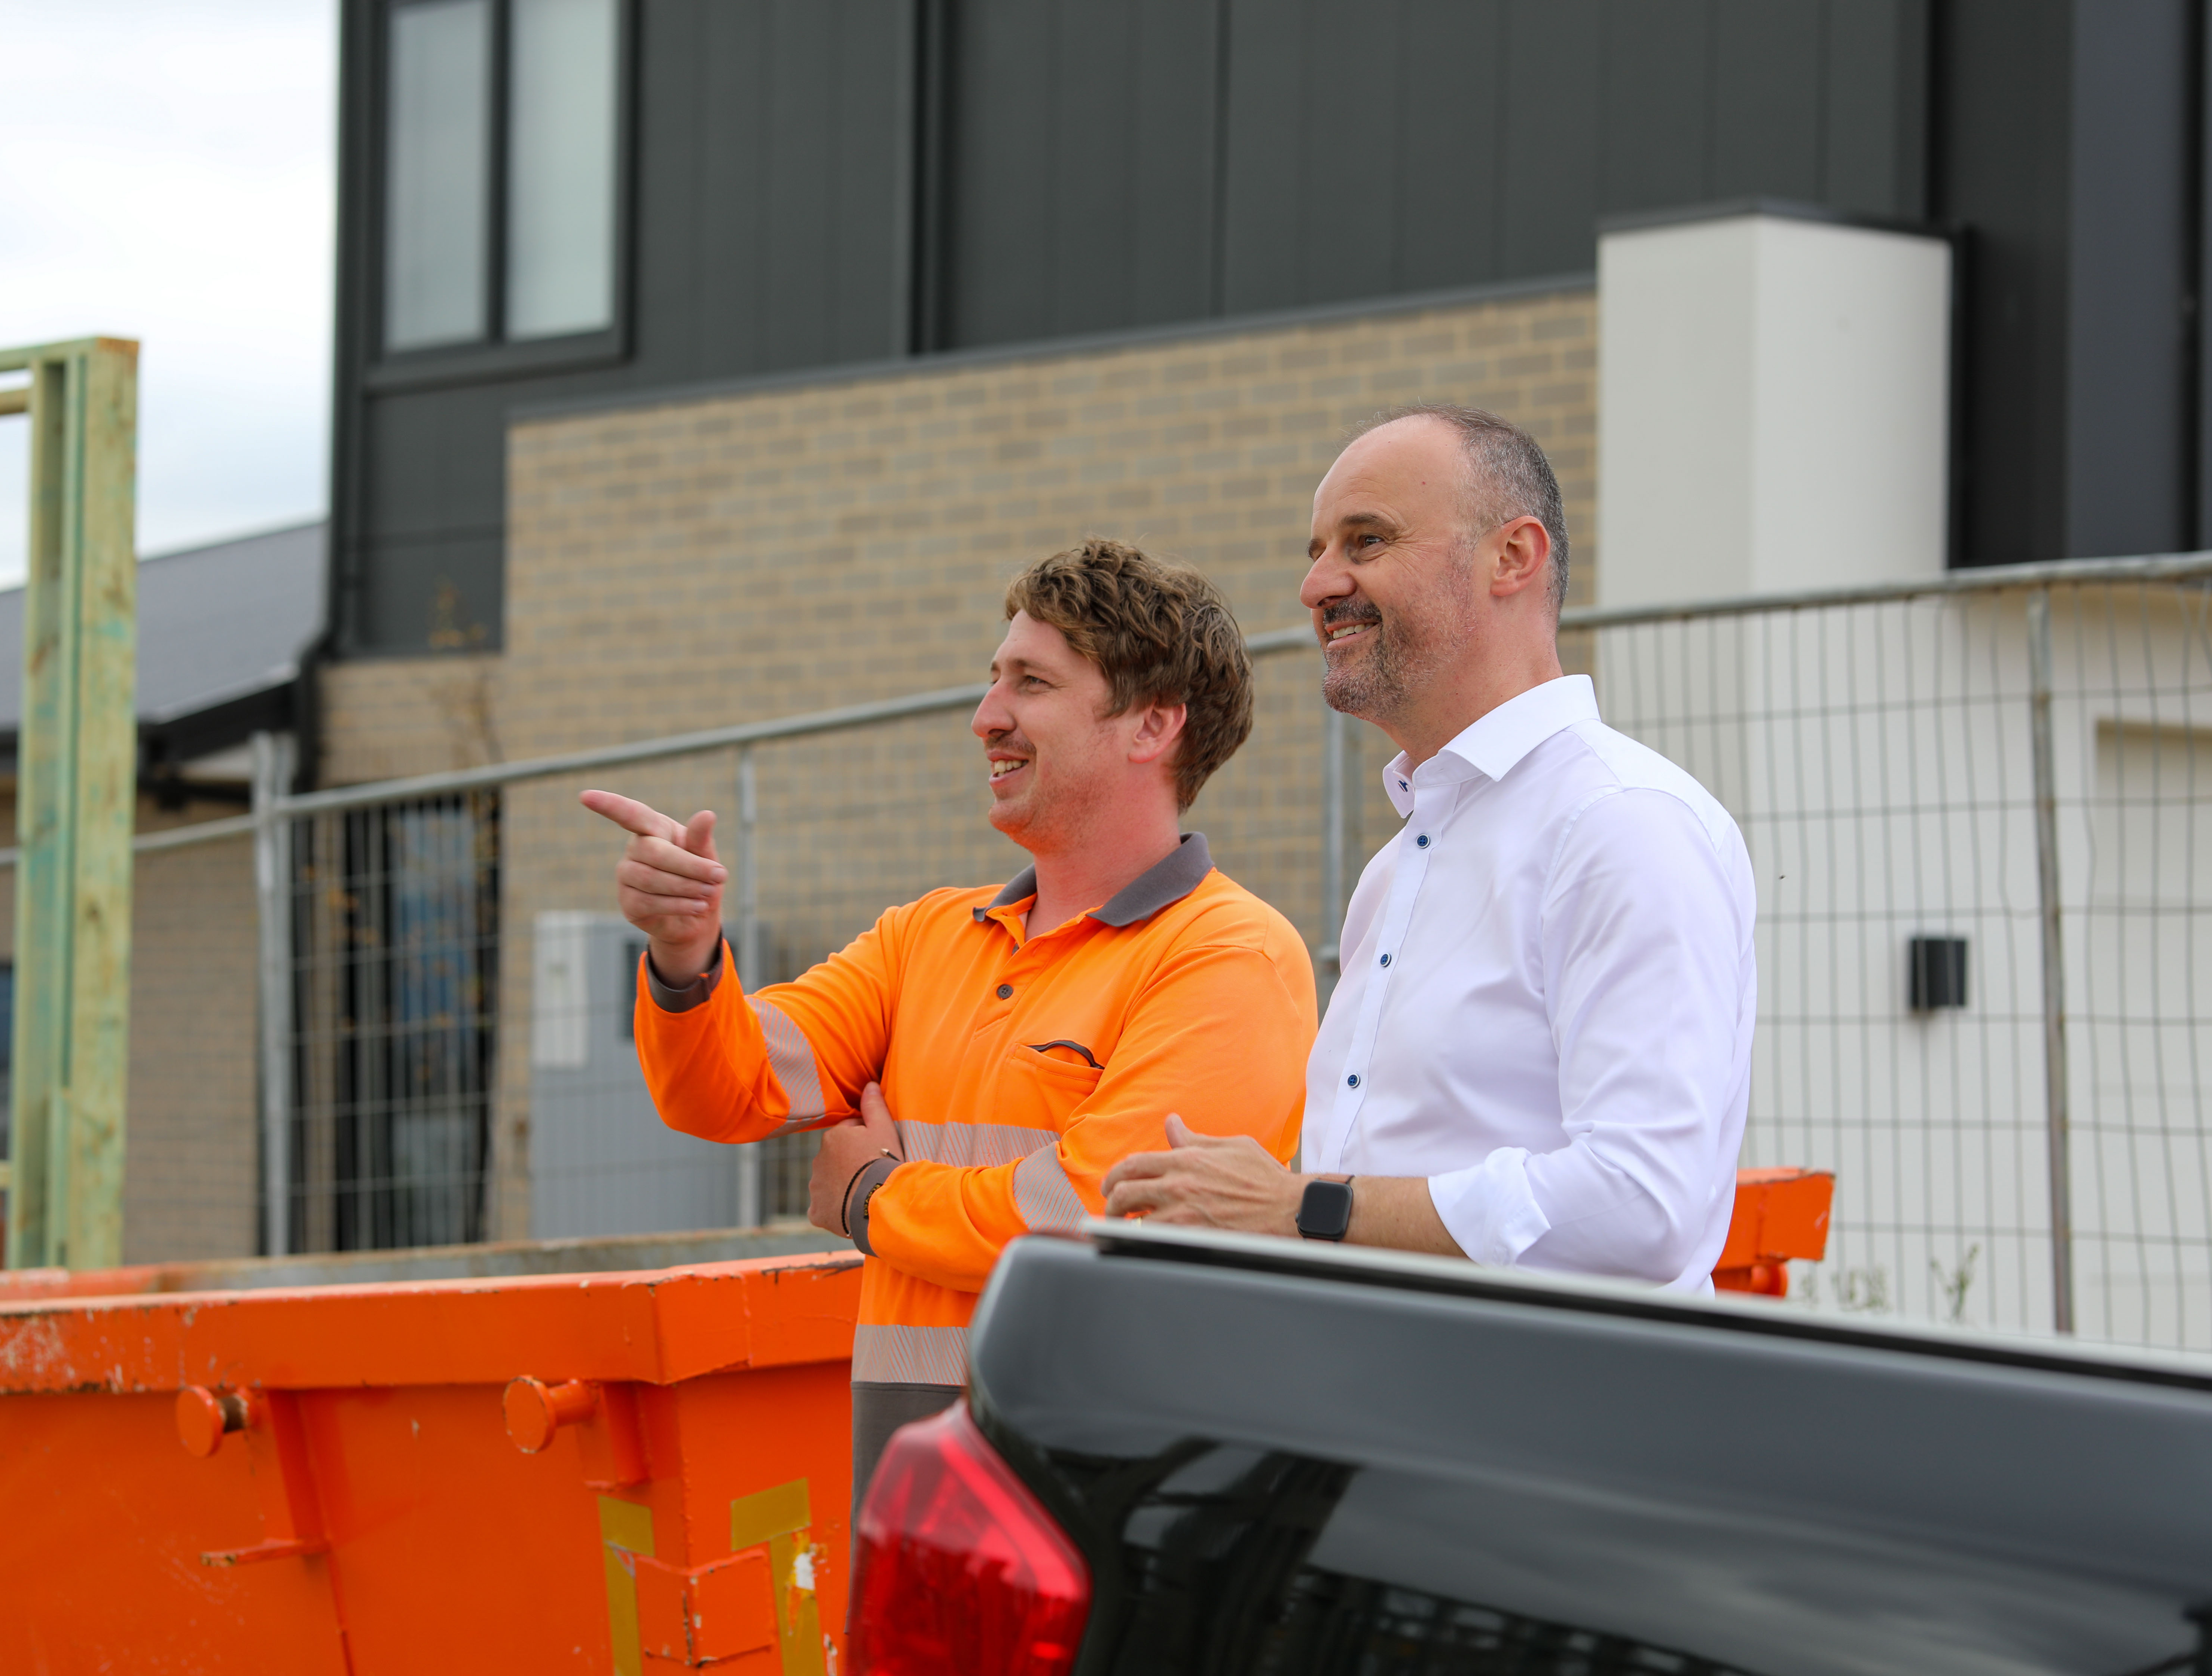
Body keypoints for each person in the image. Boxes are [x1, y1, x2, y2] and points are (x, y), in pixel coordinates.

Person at [580, 539, 1318, 1509]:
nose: (986, 717)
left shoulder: (1232, 957)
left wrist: (875, 1199)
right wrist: (686, 957)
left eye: (1031, 683)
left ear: (1153, 725)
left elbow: (1098, 1217)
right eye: (992, 680)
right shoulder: (929, 936)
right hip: (913, 1494)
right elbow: (728, 1090)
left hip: (1109, 1496)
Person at [1102, 406, 1756, 1291]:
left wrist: (1305, 1207)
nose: (1318, 585)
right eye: (1317, 551)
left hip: (1540, 1423)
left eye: (1366, 541)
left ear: (1513, 558)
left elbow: (1644, 1203)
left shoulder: (1621, 823)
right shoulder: (1401, 864)